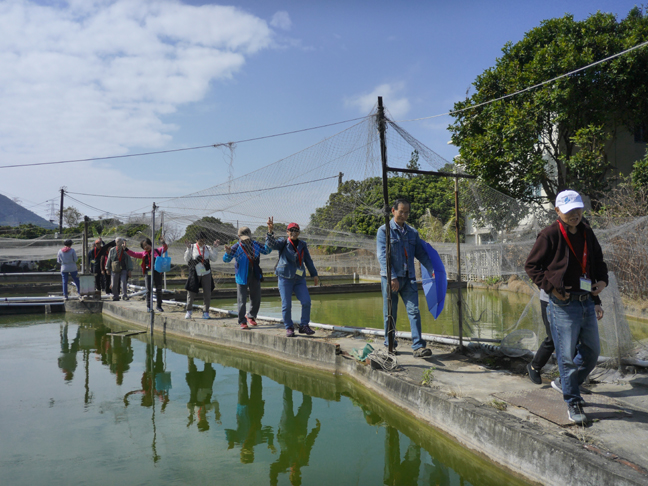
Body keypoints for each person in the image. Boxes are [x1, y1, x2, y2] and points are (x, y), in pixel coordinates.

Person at [525, 190, 607, 425]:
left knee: (591, 353)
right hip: (562, 304)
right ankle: (572, 400)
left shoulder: (587, 232)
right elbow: (532, 265)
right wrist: (550, 287)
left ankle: (564, 383)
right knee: (566, 357)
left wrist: (601, 282)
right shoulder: (549, 234)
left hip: (586, 301)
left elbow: (598, 261)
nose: (575, 214)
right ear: (558, 211)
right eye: (570, 210)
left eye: (578, 209)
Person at [376, 198, 435, 358]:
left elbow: (421, 254)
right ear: (394, 211)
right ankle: (390, 344)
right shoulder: (384, 231)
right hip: (391, 279)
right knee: (390, 312)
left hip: (409, 278)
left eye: (406, 212)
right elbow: (382, 256)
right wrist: (392, 277)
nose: (404, 215)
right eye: (401, 211)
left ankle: (418, 347)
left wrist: (431, 270)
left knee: (414, 311)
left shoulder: (412, 232)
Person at [266, 218, 319, 337]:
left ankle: (304, 325)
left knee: (306, 301)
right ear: (287, 232)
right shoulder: (283, 242)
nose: (294, 232)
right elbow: (271, 245)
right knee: (287, 305)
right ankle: (289, 327)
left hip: (299, 279)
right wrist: (270, 231)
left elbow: (308, 261)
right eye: (291, 230)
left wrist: (314, 274)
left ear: (299, 232)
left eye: (296, 230)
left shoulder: (302, 245)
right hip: (285, 278)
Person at [223, 227, 273, 329]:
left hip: (254, 274)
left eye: (248, 237)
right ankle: (242, 321)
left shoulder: (256, 244)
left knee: (256, 298)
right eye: (244, 238)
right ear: (239, 237)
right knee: (242, 300)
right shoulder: (236, 247)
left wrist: (269, 236)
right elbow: (226, 260)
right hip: (241, 276)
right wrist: (227, 253)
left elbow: (267, 250)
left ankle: (251, 316)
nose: (246, 239)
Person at [126, 237, 168, 313]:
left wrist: (163, 242)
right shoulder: (143, 254)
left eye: (147, 244)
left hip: (157, 272)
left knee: (159, 289)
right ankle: (149, 306)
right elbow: (133, 254)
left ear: (150, 244)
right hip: (148, 272)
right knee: (149, 290)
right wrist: (126, 249)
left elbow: (165, 248)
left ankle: (159, 306)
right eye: (144, 246)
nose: (146, 247)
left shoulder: (157, 251)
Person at [184, 232, 220, 319]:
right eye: (200, 241)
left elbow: (214, 259)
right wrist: (188, 249)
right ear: (196, 240)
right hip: (195, 273)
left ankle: (205, 312)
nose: (202, 243)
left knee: (207, 293)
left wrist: (215, 248)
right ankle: (189, 311)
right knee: (191, 292)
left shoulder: (207, 248)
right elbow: (186, 259)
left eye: (204, 241)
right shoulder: (192, 247)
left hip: (206, 273)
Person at [106, 237, 133, 301]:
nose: (119, 242)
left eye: (120, 241)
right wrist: (107, 268)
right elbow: (109, 259)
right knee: (114, 283)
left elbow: (129, 260)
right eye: (117, 241)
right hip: (114, 269)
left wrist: (129, 269)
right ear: (115, 242)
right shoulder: (112, 250)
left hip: (123, 268)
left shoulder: (125, 250)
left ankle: (124, 295)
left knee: (123, 281)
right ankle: (115, 296)